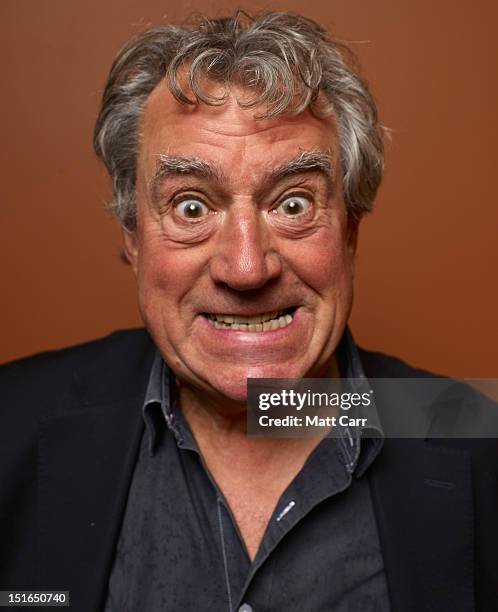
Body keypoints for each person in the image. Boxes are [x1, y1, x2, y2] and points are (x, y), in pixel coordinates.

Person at [0, 11, 496, 612]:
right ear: (133, 236)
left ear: (350, 230)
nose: (246, 268)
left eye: (292, 204)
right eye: (190, 208)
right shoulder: (13, 423)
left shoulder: (476, 441)